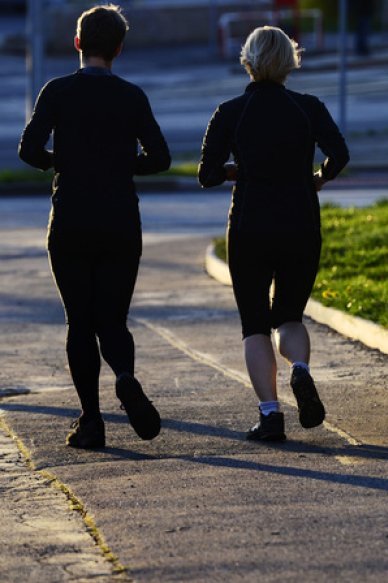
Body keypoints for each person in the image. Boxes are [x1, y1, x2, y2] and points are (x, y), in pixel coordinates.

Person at [18, 4, 170, 449]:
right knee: (114, 320)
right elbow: (160, 158)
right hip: (120, 221)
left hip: (71, 219)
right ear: (119, 49)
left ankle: (91, 421)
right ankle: (124, 376)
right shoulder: (132, 96)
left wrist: (62, 161)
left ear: (78, 43)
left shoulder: (57, 91)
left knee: (79, 323)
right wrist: (121, 164)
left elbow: (28, 149)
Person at [198, 26, 349, 441]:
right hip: (301, 222)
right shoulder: (308, 107)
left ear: (247, 61)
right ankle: (300, 369)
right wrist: (319, 177)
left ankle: (270, 416)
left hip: (250, 226)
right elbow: (340, 154)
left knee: (255, 324)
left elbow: (206, 174)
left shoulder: (230, 111)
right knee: (289, 316)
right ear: (290, 61)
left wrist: (237, 170)